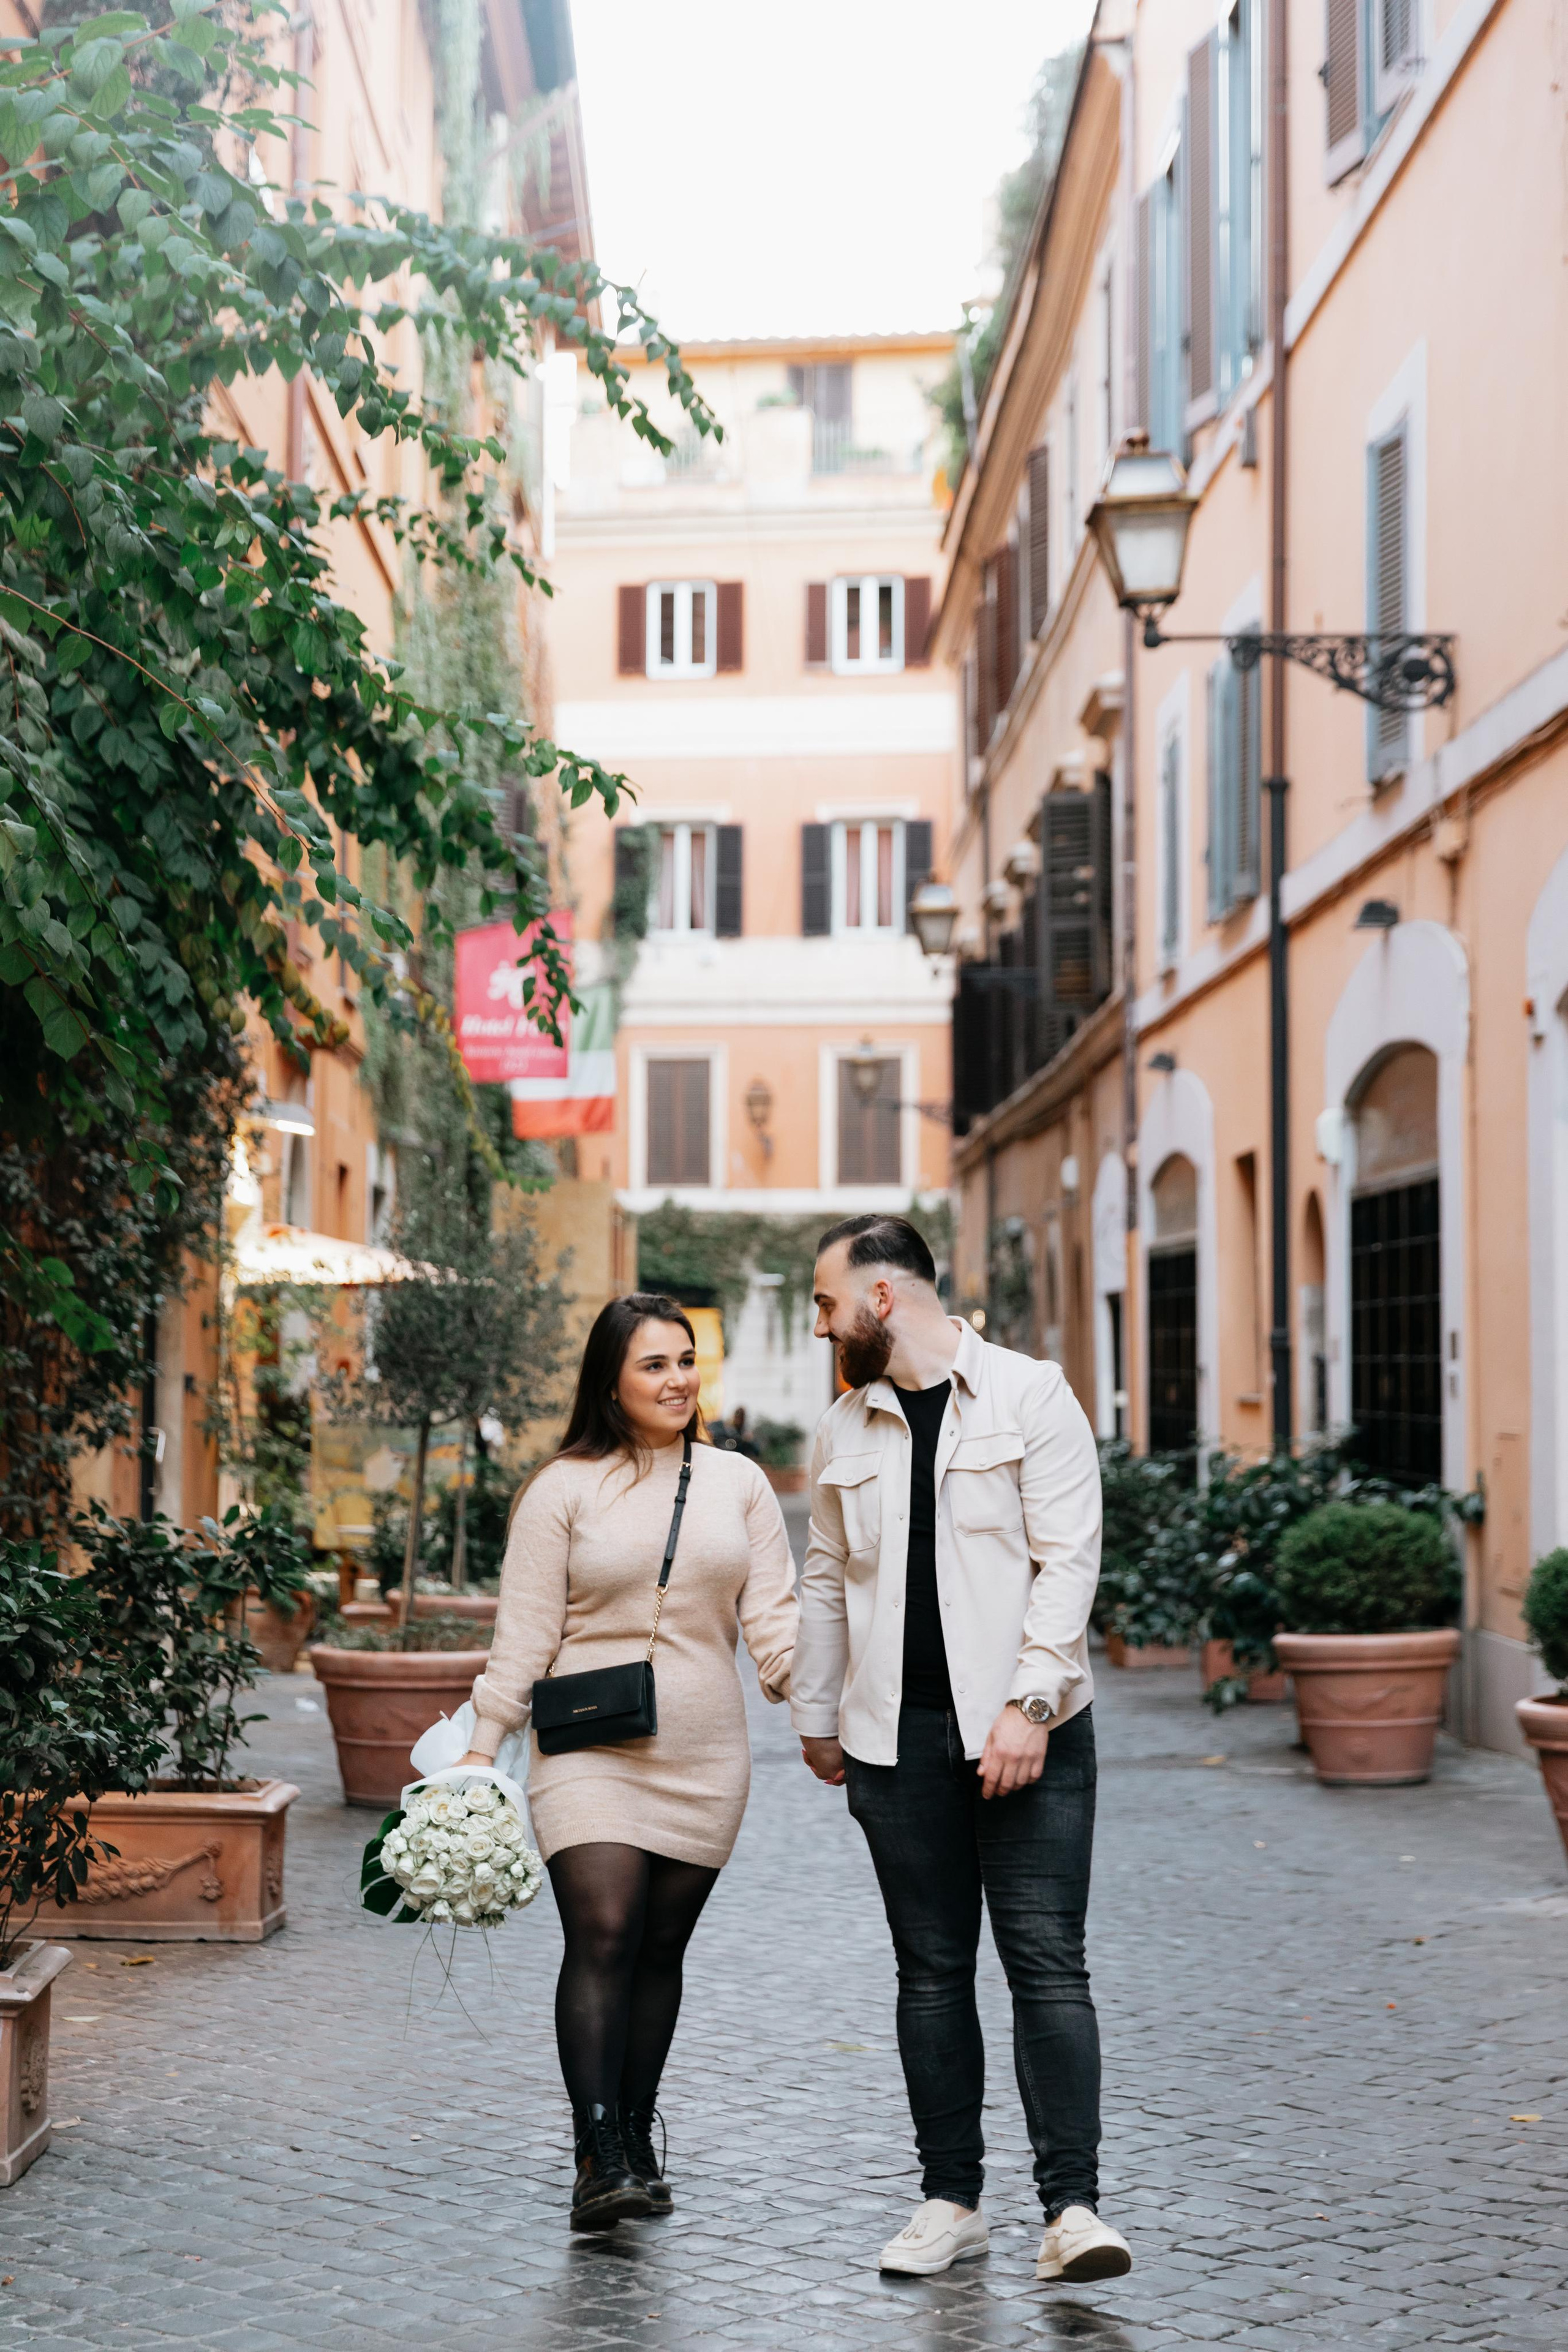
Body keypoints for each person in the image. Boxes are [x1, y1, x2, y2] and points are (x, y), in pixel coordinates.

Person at [792, 1214, 1131, 2286]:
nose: (818, 1326)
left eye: (824, 1303)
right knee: (931, 1973)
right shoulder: (846, 1426)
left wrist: (1030, 1708)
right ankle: (951, 2203)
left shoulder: (1034, 1396)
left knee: (1046, 1966)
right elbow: (823, 1577)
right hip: (895, 1742)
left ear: (881, 1299)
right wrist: (815, 1712)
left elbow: (1068, 1565)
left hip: (1031, 1736)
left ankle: (1071, 2211)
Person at [456, 1292, 797, 2231]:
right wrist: (480, 1758)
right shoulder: (561, 1488)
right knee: (605, 1932)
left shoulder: (739, 1483)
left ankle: (640, 2139)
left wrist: (816, 1695)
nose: (678, 1379)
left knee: (659, 1949)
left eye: (686, 1361)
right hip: (588, 1751)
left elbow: (773, 1620)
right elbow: (523, 1636)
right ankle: (598, 2151)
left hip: (704, 1753)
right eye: (654, 1364)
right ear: (610, 1378)